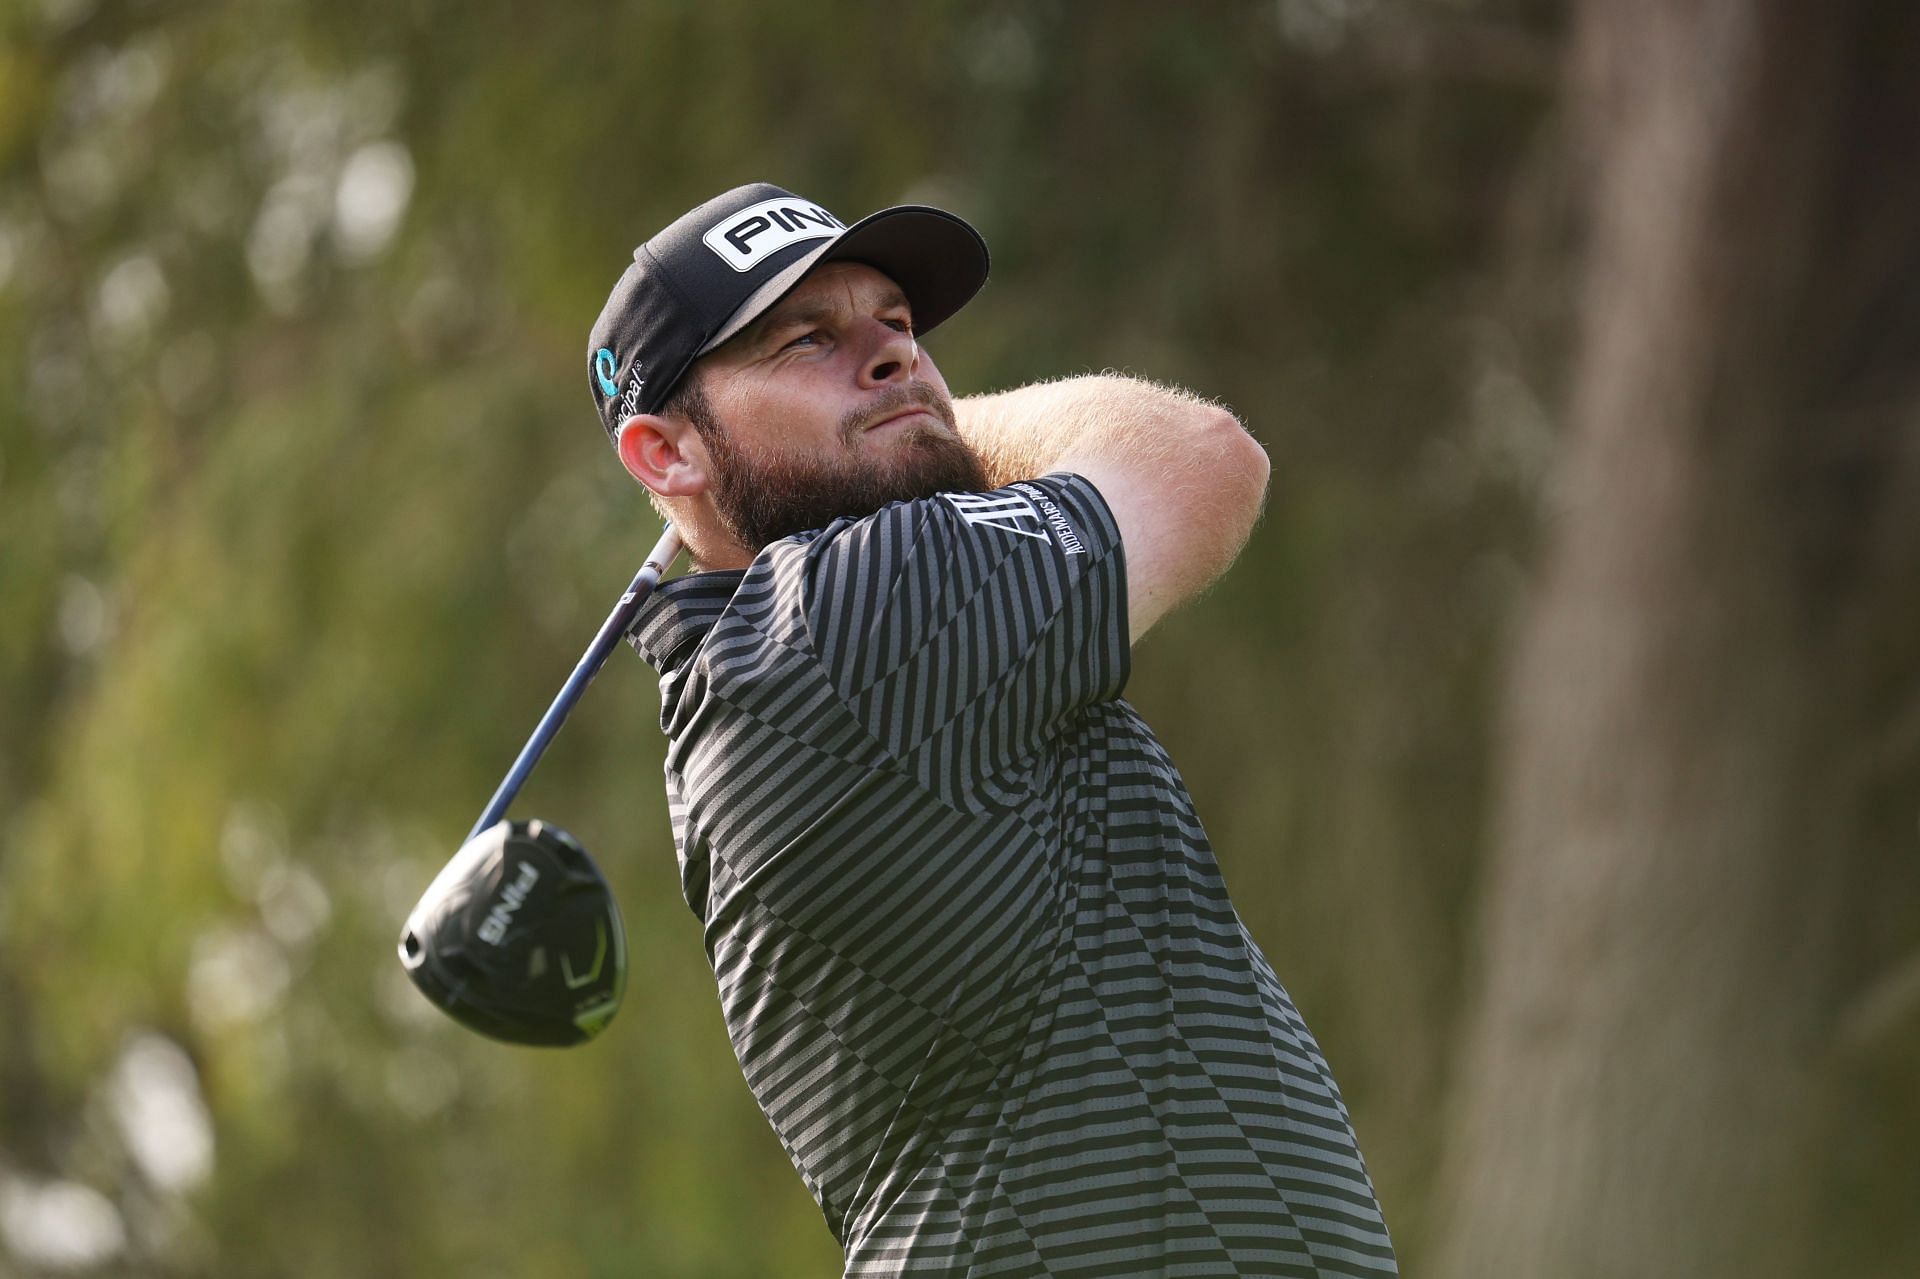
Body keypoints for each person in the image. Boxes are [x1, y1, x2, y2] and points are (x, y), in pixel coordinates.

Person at [587, 183, 1397, 1277]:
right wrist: (926, 423)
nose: (894, 359)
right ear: (666, 455)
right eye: (807, 340)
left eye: (899, 328)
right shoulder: (839, 621)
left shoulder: (774, 667)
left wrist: (892, 415)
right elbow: (1202, 456)